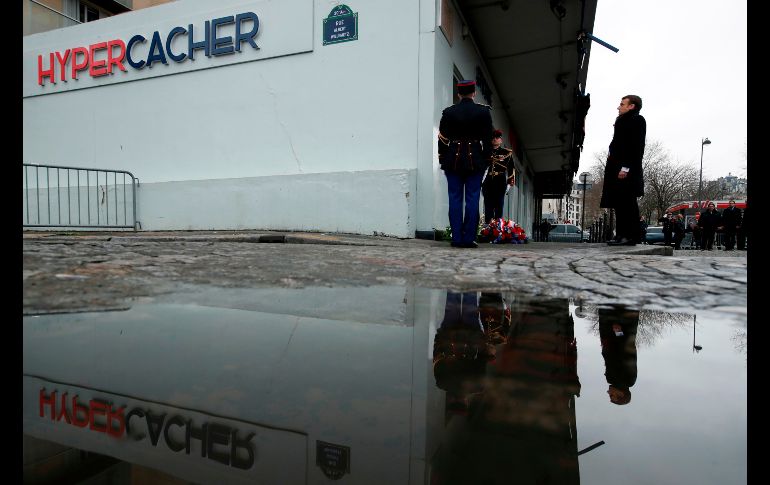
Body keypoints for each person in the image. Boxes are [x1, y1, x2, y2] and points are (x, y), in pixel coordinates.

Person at [438, 80, 494, 248]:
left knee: (454, 198)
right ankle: (469, 238)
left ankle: (456, 238)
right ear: (474, 93)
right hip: (475, 160)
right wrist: (485, 160)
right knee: (473, 199)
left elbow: (442, 139)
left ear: (458, 94)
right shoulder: (483, 112)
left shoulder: (449, 112)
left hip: (452, 160)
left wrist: (443, 159)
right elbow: (488, 140)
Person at [600, 95, 647, 246]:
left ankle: (630, 236)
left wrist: (625, 168)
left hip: (627, 170)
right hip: (616, 168)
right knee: (619, 203)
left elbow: (636, 147)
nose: (618, 107)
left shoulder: (637, 120)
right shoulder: (621, 121)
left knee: (628, 203)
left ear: (631, 106)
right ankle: (621, 235)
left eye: (622, 104)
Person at [598, 307, 638, 405]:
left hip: (610, 330)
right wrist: (619, 333)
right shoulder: (627, 379)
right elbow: (627, 354)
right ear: (621, 394)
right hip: (619, 326)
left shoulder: (612, 379)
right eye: (612, 396)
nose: (608, 393)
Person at [482, 129, 515, 223]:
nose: (495, 139)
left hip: (500, 181)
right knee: (488, 205)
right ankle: (487, 227)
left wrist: (509, 183)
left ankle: (497, 229)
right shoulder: (486, 152)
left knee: (499, 206)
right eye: (493, 137)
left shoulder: (507, 153)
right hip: (488, 181)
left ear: (501, 140)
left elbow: (511, 169)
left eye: (497, 137)